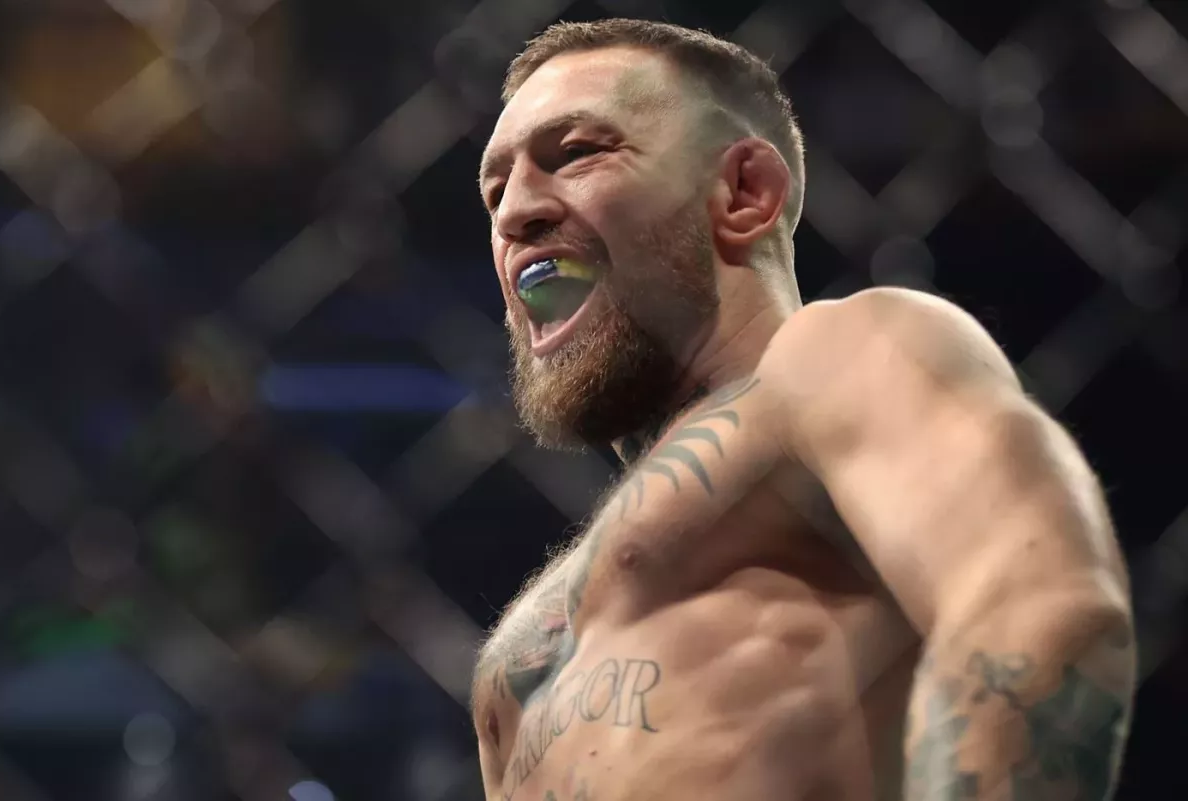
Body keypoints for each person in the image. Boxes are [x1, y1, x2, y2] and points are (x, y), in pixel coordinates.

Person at [471, 17, 1135, 801]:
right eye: (494, 192)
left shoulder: (842, 358)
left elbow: (1035, 606)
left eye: (577, 152)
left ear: (744, 193)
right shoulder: (523, 645)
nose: (514, 213)